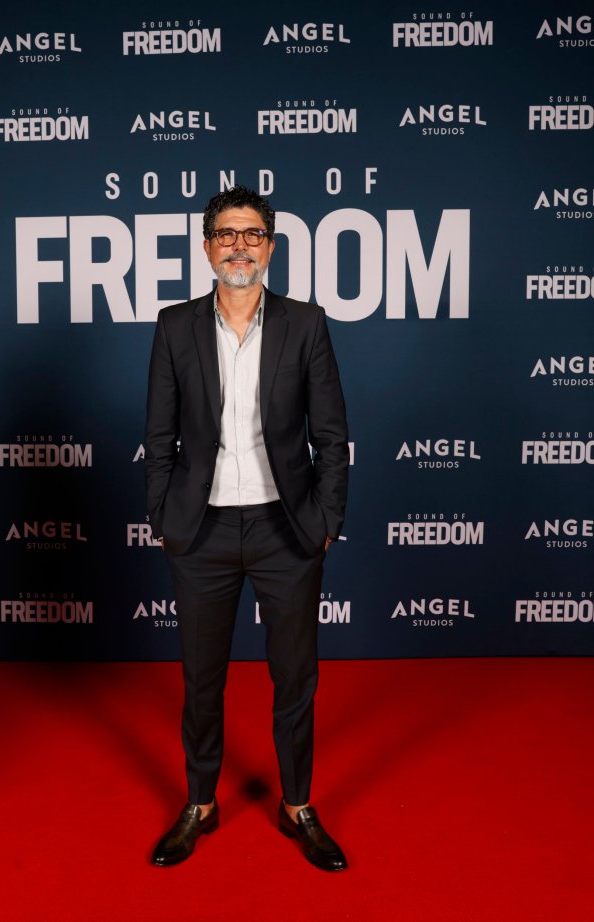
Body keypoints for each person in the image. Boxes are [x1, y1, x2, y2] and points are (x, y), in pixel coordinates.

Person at [144, 186, 350, 871]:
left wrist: (326, 522)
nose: (239, 245)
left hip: (284, 529)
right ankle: (200, 803)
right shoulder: (174, 326)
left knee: (295, 676)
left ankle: (298, 804)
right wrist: (164, 519)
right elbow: (160, 435)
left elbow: (331, 433)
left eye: (252, 234)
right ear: (207, 248)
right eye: (226, 234)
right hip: (199, 533)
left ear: (270, 247)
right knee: (202, 679)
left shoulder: (306, 324)